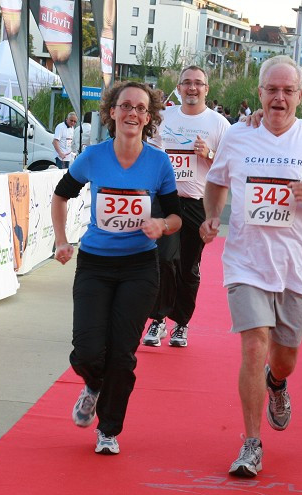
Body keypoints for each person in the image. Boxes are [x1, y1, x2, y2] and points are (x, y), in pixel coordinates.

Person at [200, 55, 302, 477]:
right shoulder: (237, 136)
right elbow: (215, 181)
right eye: (272, 89)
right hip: (246, 263)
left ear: (300, 96)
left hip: (295, 269)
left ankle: (277, 382)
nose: (279, 98)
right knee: (253, 347)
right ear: (260, 93)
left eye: (288, 91)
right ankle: (252, 443)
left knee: (284, 358)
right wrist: (212, 215)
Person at [50, 81, 181, 455]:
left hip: (139, 267)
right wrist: (62, 241)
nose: (133, 114)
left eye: (141, 108)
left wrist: (162, 225)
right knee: (88, 351)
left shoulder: (158, 162)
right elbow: (61, 196)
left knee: (123, 354)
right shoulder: (93, 156)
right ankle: (93, 384)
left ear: (149, 117)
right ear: (112, 112)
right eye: (126, 106)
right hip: (95, 263)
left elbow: (175, 216)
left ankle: (108, 429)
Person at [143, 65, 229, 348]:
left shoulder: (218, 124)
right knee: (164, 260)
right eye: (186, 83)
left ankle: (182, 323)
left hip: (197, 203)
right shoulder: (163, 118)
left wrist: (209, 154)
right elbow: (149, 152)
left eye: (198, 83)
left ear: (207, 89)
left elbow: (231, 167)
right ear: (178, 88)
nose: (192, 88)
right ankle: (158, 320)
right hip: (167, 201)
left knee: (189, 266)